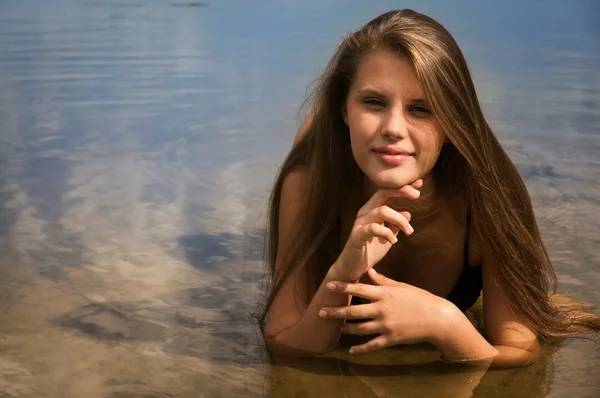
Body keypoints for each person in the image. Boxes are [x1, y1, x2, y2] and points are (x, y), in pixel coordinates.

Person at [258, 9, 600, 368]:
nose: (394, 127)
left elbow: (520, 351)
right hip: (333, 158)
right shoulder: (309, 185)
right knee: (314, 146)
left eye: (421, 109)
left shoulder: (490, 198)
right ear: (344, 109)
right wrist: (340, 275)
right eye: (373, 101)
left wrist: (445, 322)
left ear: (453, 122)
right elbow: (284, 342)